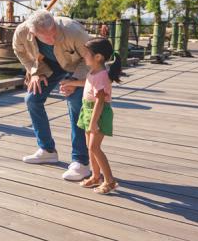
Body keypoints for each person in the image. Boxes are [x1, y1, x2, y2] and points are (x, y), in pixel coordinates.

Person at [12, 10, 91, 181]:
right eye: (47, 37)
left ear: (54, 23)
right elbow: (19, 51)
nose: (52, 39)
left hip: (76, 68)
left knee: (75, 103)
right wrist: (33, 72)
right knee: (32, 99)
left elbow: (90, 57)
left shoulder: (73, 31)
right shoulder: (22, 32)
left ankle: (81, 162)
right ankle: (47, 150)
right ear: (33, 34)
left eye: (54, 32)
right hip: (47, 68)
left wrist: (75, 81)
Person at [61, 37, 121, 194]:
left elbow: (100, 101)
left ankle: (110, 181)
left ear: (98, 57)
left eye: (87, 53)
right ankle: (95, 177)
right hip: (88, 110)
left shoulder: (101, 75)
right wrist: (70, 83)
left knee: (95, 147)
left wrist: (94, 122)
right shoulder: (93, 72)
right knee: (90, 147)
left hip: (98, 113)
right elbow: (87, 84)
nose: (84, 56)